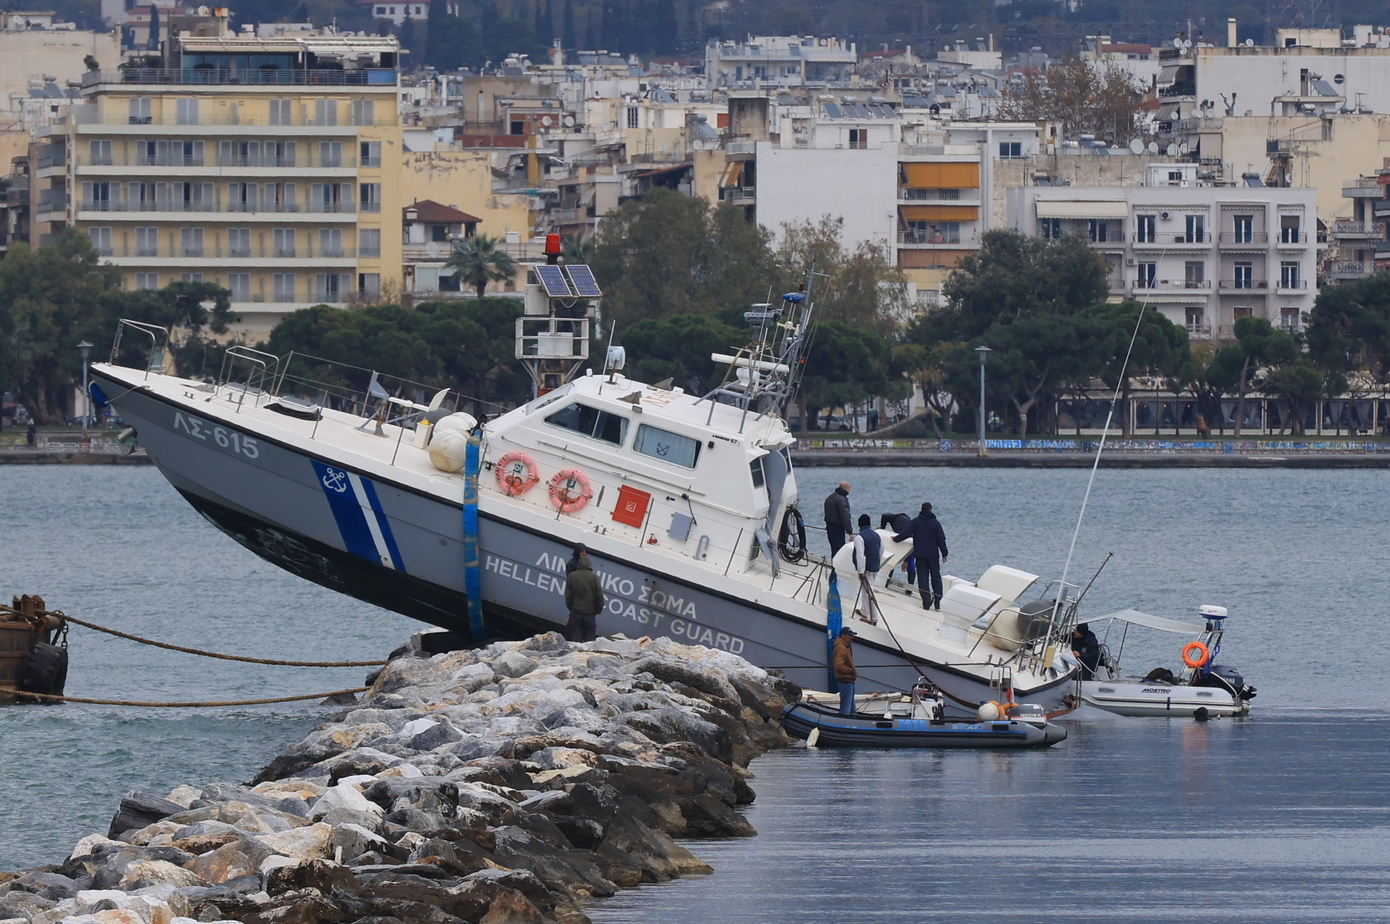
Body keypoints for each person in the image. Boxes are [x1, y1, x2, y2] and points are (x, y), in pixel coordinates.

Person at [894, 502, 948, 610]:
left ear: (921, 510)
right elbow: (941, 540)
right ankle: (937, 603)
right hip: (933, 555)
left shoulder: (916, 522)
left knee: (922, 578)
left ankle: (926, 602)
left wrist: (896, 539)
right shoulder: (936, 523)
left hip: (920, 555)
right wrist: (944, 553)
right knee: (936, 577)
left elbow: (906, 533)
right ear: (931, 510)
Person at [563, 544, 605, 642]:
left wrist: (571, 607)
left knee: (575, 635)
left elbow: (568, 595)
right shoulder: (594, 577)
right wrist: (598, 609)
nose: (584, 554)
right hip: (590, 612)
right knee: (589, 638)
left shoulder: (572, 575)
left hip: (576, 610)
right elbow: (599, 595)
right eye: (582, 552)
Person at [851, 514, 882, 624]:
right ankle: (864, 611)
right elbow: (881, 550)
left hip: (866, 569)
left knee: (869, 592)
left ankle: (873, 618)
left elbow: (860, 555)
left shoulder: (859, 537)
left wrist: (861, 571)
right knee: (865, 590)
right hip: (875, 567)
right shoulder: (876, 535)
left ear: (859, 524)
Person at [880, 512, 916, 586]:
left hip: (902, 534)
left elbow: (884, 516)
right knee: (910, 560)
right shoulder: (908, 521)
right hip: (912, 535)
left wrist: (882, 528)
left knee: (893, 557)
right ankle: (910, 585)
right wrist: (905, 560)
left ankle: (887, 580)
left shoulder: (894, 517)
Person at [833, 626, 858, 715]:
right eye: (849, 635)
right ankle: (844, 725)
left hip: (849, 682)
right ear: (843, 635)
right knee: (846, 709)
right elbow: (838, 666)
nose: (852, 637)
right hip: (845, 682)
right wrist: (851, 670)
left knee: (852, 709)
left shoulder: (846, 648)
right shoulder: (841, 648)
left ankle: (851, 725)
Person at [823, 481, 852, 556]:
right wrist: (850, 532)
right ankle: (837, 567)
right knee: (839, 550)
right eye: (849, 489)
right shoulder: (842, 500)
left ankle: (834, 566)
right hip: (838, 528)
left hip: (829, 527)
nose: (849, 491)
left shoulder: (829, 498)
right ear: (846, 488)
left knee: (834, 549)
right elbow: (845, 516)